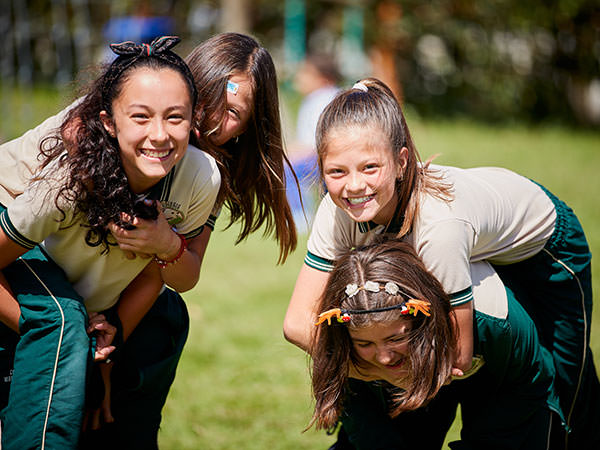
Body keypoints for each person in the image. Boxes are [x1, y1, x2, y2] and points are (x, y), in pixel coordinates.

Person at [1, 32, 298, 448]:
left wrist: (112, 339)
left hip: (88, 274)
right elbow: (44, 215)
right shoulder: (99, 137)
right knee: (62, 322)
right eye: (207, 98)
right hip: (25, 238)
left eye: (232, 111)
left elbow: (167, 272)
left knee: (165, 319)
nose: (210, 118)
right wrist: (85, 347)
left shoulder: (202, 173)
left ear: (252, 123)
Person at [284, 77, 600, 448]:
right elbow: (296, 324)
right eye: (337, 172)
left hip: (542, 254)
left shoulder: (440, 226)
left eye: (370, 168)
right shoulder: (336, 210)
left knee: (566, 385)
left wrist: (358, 365)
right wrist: (374, 360)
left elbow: (457, 355)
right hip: (465, 248)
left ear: (402, 162)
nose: (353, 186)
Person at [310, 239, 564, 449]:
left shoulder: (495, 323)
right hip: (412, 380)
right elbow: (367, 427)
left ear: (420, 316)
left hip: (502, 374)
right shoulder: (342, 343)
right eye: (364, 342)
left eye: (396, 338)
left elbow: (524, 394)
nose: (384, 358)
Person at [285, 54, 341, 232]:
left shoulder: (321, 100)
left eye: (305, 74)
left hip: (323, 157)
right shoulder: (329, 96)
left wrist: (286, 154)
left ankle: (300, 216)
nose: (299, 78)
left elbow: (314, 145)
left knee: (286, 168)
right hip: (328, 155)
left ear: (323, 78)